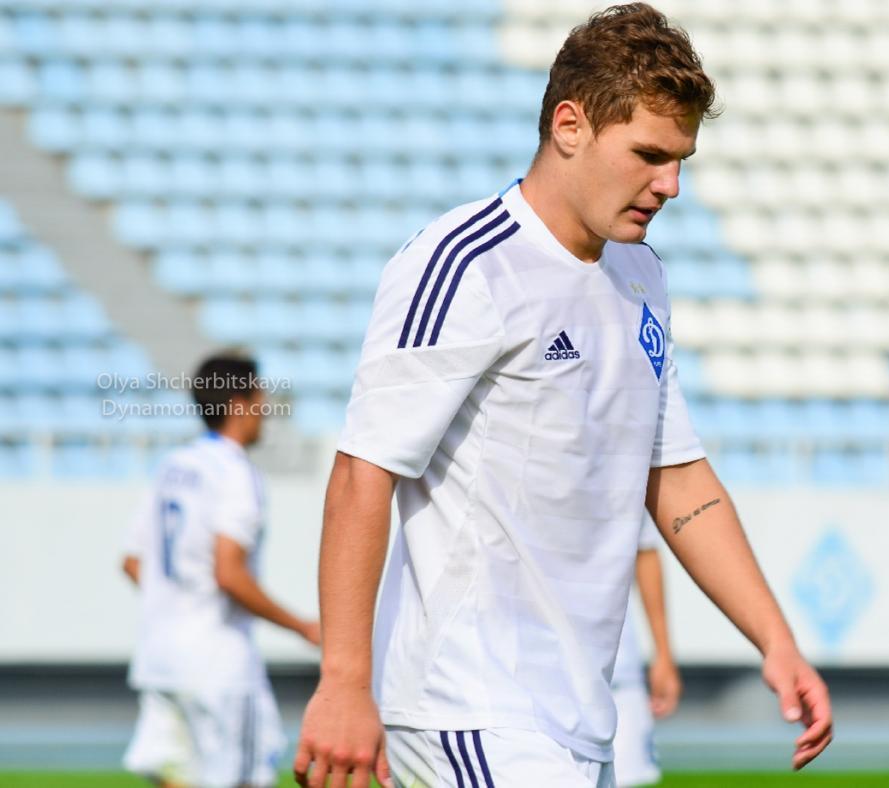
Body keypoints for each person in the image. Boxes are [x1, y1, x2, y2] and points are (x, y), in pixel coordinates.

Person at [293, 4, 832, 786]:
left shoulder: (641, 276)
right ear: (569, 126)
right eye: (649, 155)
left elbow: (677, 478)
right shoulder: (466, 265)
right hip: (469, 707)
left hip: (578, 718)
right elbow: (363, 472)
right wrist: (344, 681)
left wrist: (775, 641)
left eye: (681, 160)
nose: (671, 185)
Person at [122, 353, 320, 787]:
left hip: (160, 656)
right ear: (238, 404)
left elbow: (133, 562)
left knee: (176, 776)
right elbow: (228, 573)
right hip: (217, 662)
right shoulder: (235, 472)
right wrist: (302, 626)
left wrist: (176, 604)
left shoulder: (174, 466)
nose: (265, 409)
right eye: (260, 397)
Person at [611, 517, 682, 786]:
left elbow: (645, 550)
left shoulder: (628, 489)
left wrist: (663, 654)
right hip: (531, 671)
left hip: (616, 670)